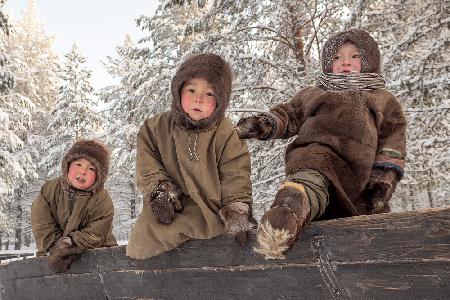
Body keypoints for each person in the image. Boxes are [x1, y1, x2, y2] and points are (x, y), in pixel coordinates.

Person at [236, 29, 406, 259]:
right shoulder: (316, 93)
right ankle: (287, 214)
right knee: (309, 180)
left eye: (354, 56)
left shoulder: (382, 99)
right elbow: (289, 114)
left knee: (361, 217)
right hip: (314, 159)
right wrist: (263, 124)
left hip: (356, 177)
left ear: (370, 61)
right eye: (336, 57)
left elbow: (392, 141)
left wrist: (382, 182)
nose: (345, 62)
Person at [126, 53, 255, 259]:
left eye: (209, 94)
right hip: (169, 210)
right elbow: (147, 162)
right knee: (141, 248)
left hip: (212, 212)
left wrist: (236, 209)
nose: (198, 98)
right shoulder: (155, 128)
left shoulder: (226, 133)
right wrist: (159, 190)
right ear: (178, 91)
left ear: (221, 101)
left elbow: (235, 174)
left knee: (221, 253)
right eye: (191, 90)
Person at [31, 139, 117, 272]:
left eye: (92, 168)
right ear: (68, 165)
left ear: (99, 176)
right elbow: (41, 223)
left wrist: (70, 243)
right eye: (78, 164)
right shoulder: (49, 190)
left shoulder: (102, 199)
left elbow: (98, 231)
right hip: (53, 253)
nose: (83, 171)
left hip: (96, 254)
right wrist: (55, 248)